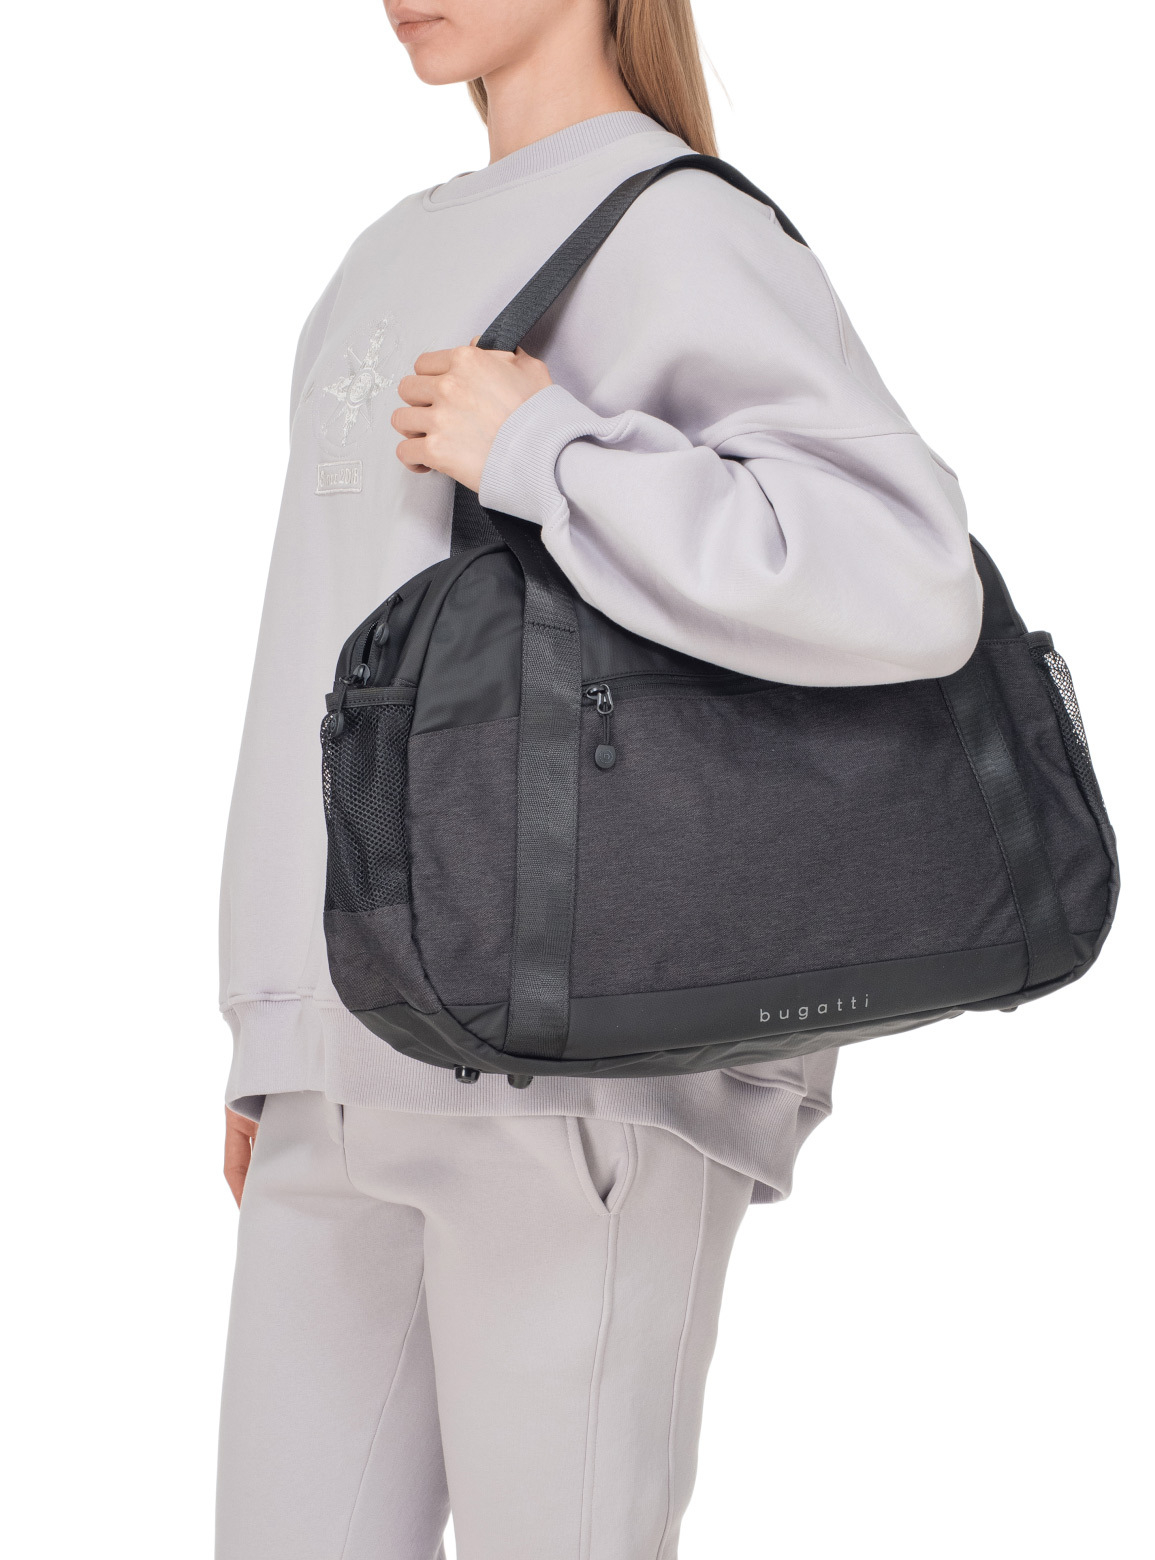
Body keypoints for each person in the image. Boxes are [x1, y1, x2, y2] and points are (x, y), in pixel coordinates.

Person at [216, 2, 982, 1556]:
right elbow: (315, 647)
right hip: (342, 1063)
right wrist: (269, 1026)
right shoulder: (382, 256)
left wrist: (548, 452)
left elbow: (912, 578)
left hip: (582, 1072)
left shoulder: (678, 226)